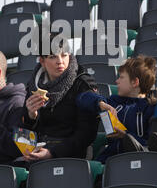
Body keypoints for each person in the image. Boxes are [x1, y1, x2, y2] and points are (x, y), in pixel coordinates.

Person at [20, 34, 99, 164]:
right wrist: (30, 117)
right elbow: (25, 132)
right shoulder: (33, 85)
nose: (60, 61)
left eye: (64, 55)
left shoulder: (83, 84)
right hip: (40, 151)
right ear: (42, 61)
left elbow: (87, 134)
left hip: (72, 156)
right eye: (53, 57)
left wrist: (52, 153)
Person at [76, 55, 157, 163]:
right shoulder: (113, 102)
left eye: (121, 77)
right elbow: (81, 98)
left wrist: (126, 136)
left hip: (140, 162)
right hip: (110, 160)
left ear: (135, 82)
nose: (116, 81)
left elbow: (151, 145)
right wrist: (100, 103)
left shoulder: (150, 107)